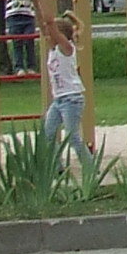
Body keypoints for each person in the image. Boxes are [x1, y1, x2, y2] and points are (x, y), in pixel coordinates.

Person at [41, 8, 87, 157]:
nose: (47, 36)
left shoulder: (66, 48)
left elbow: (49, 23)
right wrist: (34, 1)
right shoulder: (53, 50)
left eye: (51, 33)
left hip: (72, 99)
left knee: (72, 137)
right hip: (58, 100)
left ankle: (90, 166)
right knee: (48, 134)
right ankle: (57, 167)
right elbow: (43, 25)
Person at [1, 0, 40, 76]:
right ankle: (19, 68)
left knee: (30, 40)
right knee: (17, 42)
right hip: (14, 17)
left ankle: (31, 66)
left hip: (28, 16)